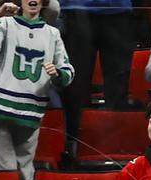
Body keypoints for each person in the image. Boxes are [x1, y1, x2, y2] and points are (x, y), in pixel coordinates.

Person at [0, 0, 73, 180]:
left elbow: (68, 71)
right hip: (0, 110)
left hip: (32, 113)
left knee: (25, 171)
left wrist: (57, 73)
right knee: (5, 171)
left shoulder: (52, 34)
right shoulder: (6, 24)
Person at [57, 0, 136, 166]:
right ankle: (73, 145)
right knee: (75, 84)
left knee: (117, 86)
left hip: (117, 10)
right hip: (76, 9)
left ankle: (115, 146)